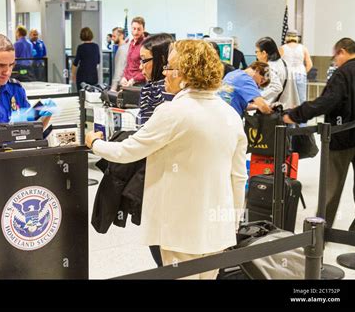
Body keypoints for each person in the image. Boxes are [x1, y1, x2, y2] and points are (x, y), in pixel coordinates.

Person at [86, 40, 247, 279]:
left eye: (169, 68)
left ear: (185, 74)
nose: (164, 73)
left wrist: (94, 143)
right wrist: (231, 222)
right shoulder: (230, 115)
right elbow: (238, 177)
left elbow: (128, 151)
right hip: (217, 228)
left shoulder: (172, 113)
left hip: (180, 228)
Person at [283, 38, 355, 232]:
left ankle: (318, 235)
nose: (335, 61)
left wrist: (294, 115)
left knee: (330, 189)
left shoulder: (343, 73)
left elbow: (326, 102)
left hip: (342, 139)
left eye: (335, 57)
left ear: (342, 51)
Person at [137, 33, 174, 125]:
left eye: (144, 60)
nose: (140, 67)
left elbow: (144, 131)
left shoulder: (152, 90)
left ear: (161, 60)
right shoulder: (177, 88)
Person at [255, 37, 299, 109]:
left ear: (264, 53)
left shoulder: (270, 67)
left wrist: (258, 96)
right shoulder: (284, 63)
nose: (256, 55)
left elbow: (277, 87)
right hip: (289, 106)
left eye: (256, 52)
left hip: (279, 109)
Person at [280, 30, 313, 104]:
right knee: (301, 98)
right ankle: (301, 114)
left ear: (287, 37)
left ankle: (287, 114)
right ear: (297, 37)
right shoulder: (303, 48)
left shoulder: (282, 48)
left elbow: (278, 64)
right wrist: (303, 72)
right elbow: (310, 64)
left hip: (287, 76)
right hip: (300, 74)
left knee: (286, 98)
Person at [120, 16, 146, 87]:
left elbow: (147, 68)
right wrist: (124, 77)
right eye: (134, 28)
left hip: (139, 84)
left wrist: (134, 79)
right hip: (127, 82)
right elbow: (128, 65)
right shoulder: (131, 43)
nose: (136, 32)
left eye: (139, 29)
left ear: (143, 29)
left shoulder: (145, 44)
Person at [71, 27, 100, 91]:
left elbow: (75, 62)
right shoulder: (96, 46)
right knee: (92, 94)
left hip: (82, 75)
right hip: (93, 75)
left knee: (81, 94)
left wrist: (73, 75)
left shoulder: (81, 47)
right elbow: (98, 62)